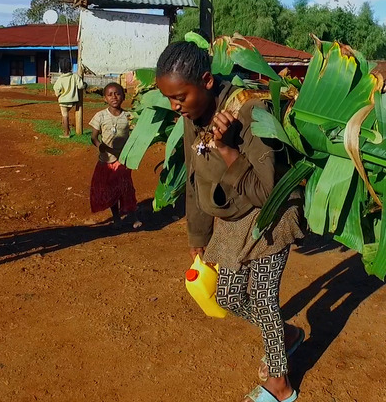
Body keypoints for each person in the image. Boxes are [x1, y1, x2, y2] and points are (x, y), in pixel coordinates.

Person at [156, 41, 306, 402]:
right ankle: (284, 335)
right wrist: (198, 233)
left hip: (271, 218)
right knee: (227, 295)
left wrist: (227, 148)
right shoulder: (195, 115)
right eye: (170, 100)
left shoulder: (249, 112)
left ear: (206, 80)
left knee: (263, 297)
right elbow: (196, 177)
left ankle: (280, 385)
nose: (176, 107)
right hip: (232, 220)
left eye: (180, 97)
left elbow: (268, 191)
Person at [89, 82, 139, 228]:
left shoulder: (129, 117)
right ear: (105, 99)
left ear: (123, 96)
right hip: (106, 161)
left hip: (123, 160)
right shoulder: (100, 116)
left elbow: (135, 136)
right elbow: (93, 137)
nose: (114, 97)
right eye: (110, 95)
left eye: (117, 94)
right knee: (111, 190)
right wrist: (100, 146)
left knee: (126, 188)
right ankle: (116, 217)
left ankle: (132, 216)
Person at [53, 62, 84, 138]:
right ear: (71, 67)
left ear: (61, 69)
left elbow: (56, 88)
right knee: (66, 114)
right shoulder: (75, 76)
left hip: (63, 100)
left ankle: (66, 133)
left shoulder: (61, 78)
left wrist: (58, 94)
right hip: (73, 100)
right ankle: (67, 130)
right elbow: (81, 86)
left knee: (65, 115)